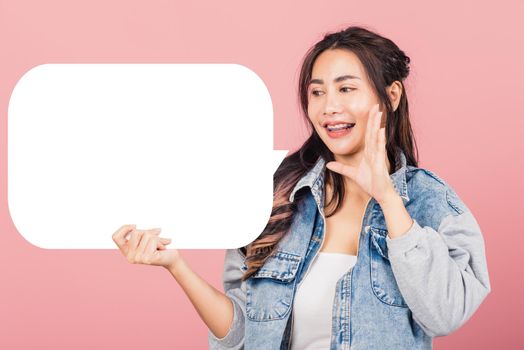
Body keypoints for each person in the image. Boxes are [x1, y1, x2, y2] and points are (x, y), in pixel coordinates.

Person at [112, 25, 491, 349]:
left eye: (346, 89)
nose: (328, 107)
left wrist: (388, 199)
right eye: (317, 92)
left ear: (391, 95)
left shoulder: (429, 202)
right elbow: (242, 334)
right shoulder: (277, 198)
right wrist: (174, 265)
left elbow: (446, 314)